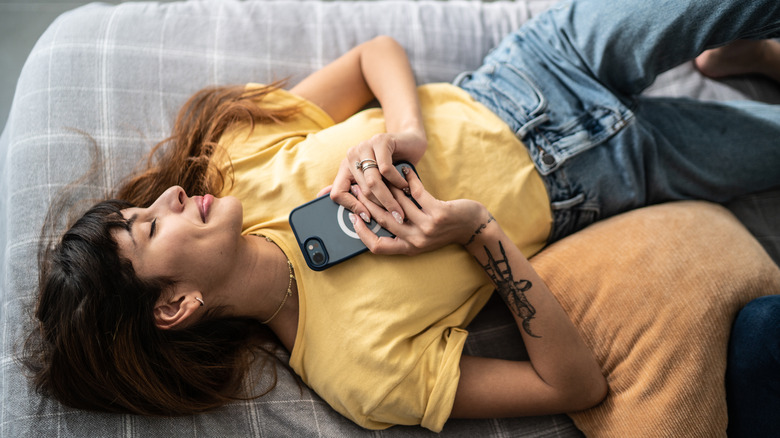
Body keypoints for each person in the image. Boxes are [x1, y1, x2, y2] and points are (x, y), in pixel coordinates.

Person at [23, 0, 780, 433]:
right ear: (177, 304)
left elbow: (373, 56)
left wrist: (403, 128)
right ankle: (745, 62)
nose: (172, 198)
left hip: (535, 70)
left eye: (145, 205)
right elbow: (571, 386)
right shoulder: (357, 373)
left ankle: (739, 55)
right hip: (611, 176)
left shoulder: (235, 159)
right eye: (151, 228)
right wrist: (478, 234)